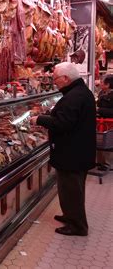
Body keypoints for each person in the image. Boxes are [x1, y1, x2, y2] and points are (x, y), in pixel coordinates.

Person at [31, 62, 96, 236]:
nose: (55, 83)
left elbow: (62, 123)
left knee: (71, 189)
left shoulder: (74, 96)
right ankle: (70, 216)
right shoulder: (80, 92)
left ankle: (77, 226)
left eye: (56, 79)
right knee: (70, 188)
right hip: (77, 150)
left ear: (66, 78)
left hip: (73, 153)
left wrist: (40, 119)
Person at [95, 74, 113, 170]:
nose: (100, 83)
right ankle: (100, 162)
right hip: (101, 122)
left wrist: (99, 110)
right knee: (100, 141)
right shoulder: (102, 92)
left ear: (108, 84)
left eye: (102, 82)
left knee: (107, 143)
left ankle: (106, 164)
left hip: (109, 123)